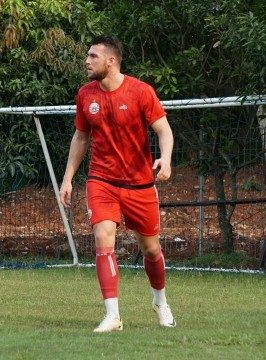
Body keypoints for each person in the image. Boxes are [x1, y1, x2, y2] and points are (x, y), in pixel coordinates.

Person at [59, 35, 176, 332]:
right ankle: (113, 315)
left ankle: (160, 302)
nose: (87, 61)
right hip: (102, 181)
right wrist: (68, 178)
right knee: (103, 237)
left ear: (111, 61)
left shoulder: (140, 91)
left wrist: (165, 158)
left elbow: (163, 129)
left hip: (139, 184)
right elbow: (81, 138)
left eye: (93, 56)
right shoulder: (85, 95)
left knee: (151, 249)